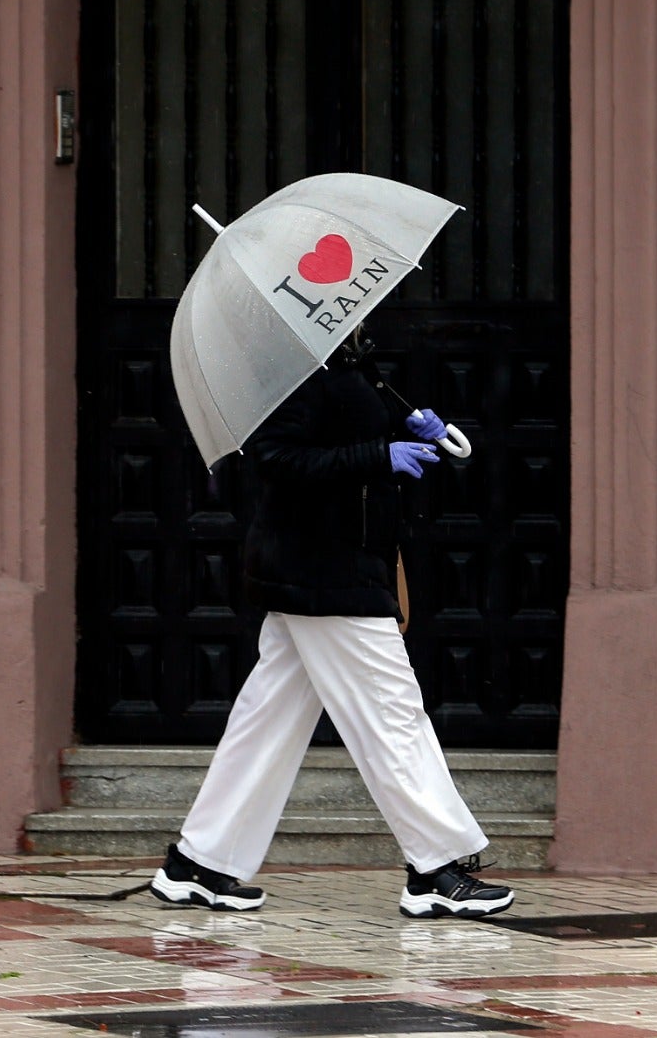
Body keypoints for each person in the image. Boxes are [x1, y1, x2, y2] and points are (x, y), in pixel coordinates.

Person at [150, 326, 514, 919]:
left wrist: (408, 427)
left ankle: (198, 865)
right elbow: (276, 457)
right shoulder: (291, 368)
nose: (362, 312)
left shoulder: (344, 362)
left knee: (266, 722)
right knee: (394, 714)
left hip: (329, 568)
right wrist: (380, 455)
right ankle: (436, 868)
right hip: (325, 573)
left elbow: (338, 436)